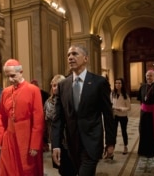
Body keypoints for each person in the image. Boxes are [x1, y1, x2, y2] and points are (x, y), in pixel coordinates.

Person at [51, 45, 116, 176]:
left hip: (92, 141)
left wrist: (110, 142)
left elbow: (108, 114)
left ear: (85, 58)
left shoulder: (99, 82)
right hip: (71, 144)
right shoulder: (63, 85)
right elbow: (58, 119)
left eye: (74, 54)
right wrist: (56, 145)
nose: (70, 57)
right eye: (68, 55)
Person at [0, 59, 44, 176]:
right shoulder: (5, 92)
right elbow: (1, 115)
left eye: (12, 76)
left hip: (27, 136)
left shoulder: (33, 90)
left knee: (27, 169)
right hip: (9, 137)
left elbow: (38, 120)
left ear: (21, 72)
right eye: (7, 76)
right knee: (6, 168)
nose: (10, 80)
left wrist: (35, 144)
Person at [44, 74, 76, 176]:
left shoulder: (70, 100)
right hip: (57, 139)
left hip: (70, 139)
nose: (55, 88)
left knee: (72, 168)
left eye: (58, 85)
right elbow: (48, 118)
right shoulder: (48, 102)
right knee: (61, 168)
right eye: (53, 85)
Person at [110, 78, 131, 155]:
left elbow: (129, 107)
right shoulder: (112, 94)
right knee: (113, 132)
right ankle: (112, 147)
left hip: (123, 116)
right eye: (116, 83)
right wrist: (112, 108)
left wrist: (121, 109)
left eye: (119, 83)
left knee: (123, 131)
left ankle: (125, 146)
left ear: (122, 85)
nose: (117, 85)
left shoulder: (125, 95)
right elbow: (110, 103)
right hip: (114, 115)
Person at [30, 79, 50, 151]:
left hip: (43, 114)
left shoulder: (44, 94)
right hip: (33, 115)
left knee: (44, 131)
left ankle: (44, 145)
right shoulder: (29, 93)